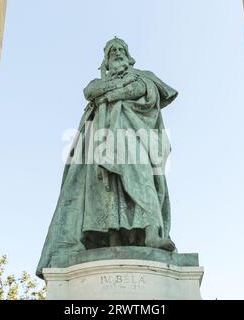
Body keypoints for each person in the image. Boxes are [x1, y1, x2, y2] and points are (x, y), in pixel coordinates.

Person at [36, 38, 178, 277]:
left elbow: (143, 90)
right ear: (106, 59)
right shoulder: (99, 82)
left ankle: (152, 233)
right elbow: (89, 91)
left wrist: (111, 96)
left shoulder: (142, 76)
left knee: (142, 181)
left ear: (129, 56)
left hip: (133, 137)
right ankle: (111, 238)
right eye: (113, 51)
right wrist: (110, 90)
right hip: (101, 140)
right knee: (105, 192)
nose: (118, 53)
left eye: (122, 50)